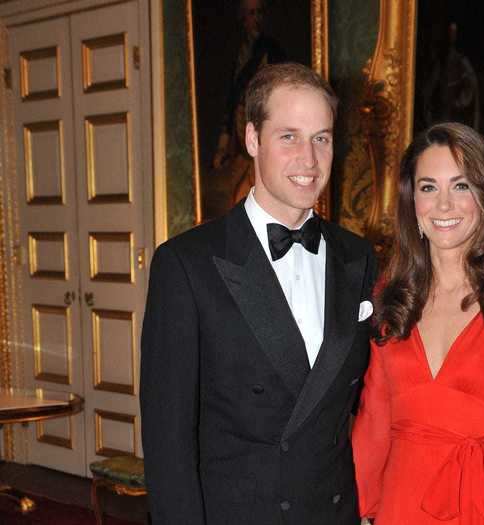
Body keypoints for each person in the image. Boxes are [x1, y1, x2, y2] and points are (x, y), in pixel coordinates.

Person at [140, 63, 377, 524]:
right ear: (252, 140)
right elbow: (168, 440)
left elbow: (378, 390)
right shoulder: (187, 265)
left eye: (321, 138)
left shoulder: (357, 257)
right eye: (289, 136)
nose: (309, 160)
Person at [352, 122, 484, 524]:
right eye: (429, 188)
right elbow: (373, 422)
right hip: (398, 507)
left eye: (460, 186)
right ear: (412, 202)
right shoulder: (391, 298)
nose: (444, 206)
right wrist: (352, 512)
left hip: (477, 507)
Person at [208, 0, 286, 215]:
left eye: (260, 12)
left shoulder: (271, 50)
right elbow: (232, 99)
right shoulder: (239, 53)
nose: (256, 18)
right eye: (251, 13)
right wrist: (224, 142)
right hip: (240, 125)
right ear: (243, 19)